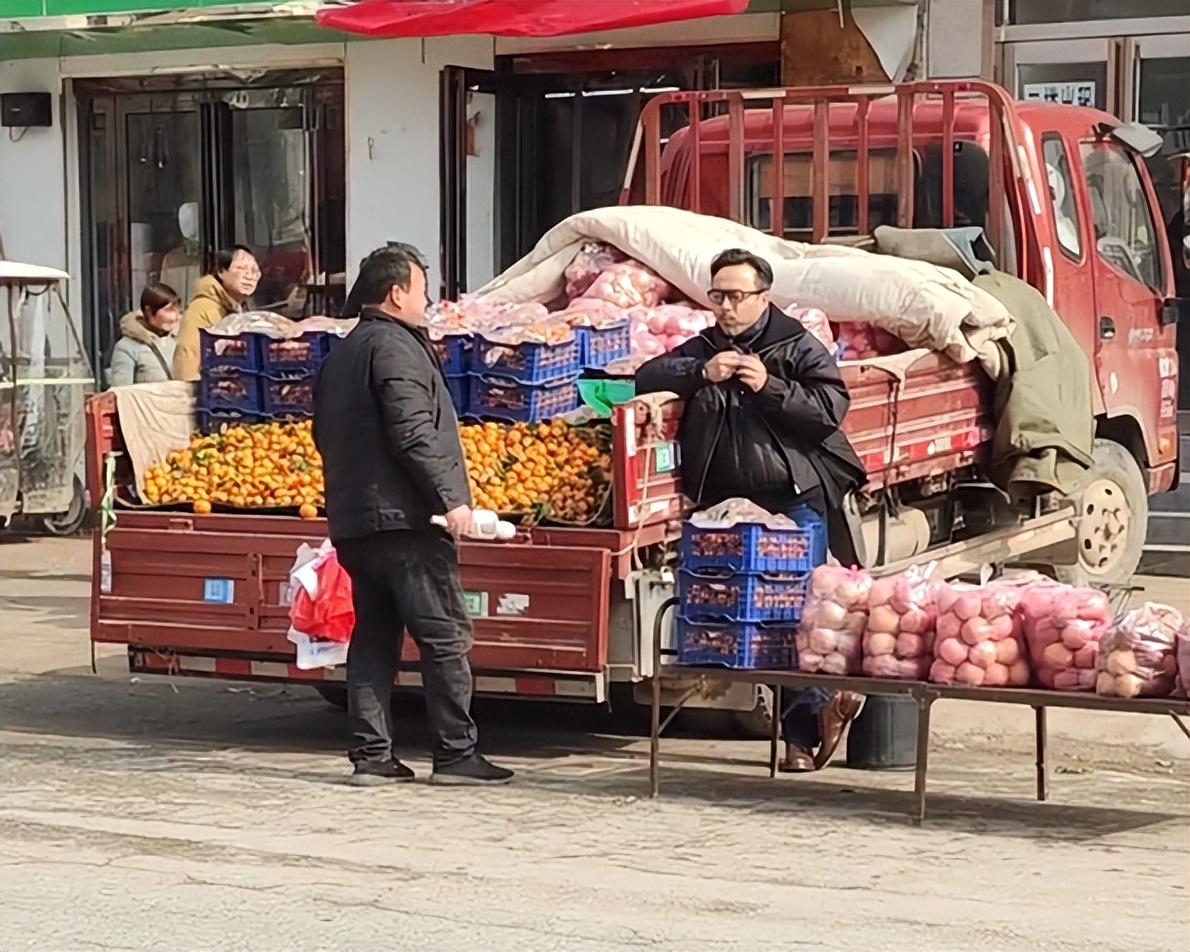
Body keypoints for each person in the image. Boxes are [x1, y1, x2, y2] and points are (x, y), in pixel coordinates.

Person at [636, 248, 867, 773]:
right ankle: (813, 711)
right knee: (739, 616)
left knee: (795, 614)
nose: (726, 306)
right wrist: (700, 371)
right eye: (718, 296)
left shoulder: (796, 345)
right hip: (725, 506)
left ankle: (801, 734)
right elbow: (646, 377)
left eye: (737, 296)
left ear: (763, 297)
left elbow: (828, 410)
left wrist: (770, 386)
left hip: (791, 497)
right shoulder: (707, 346)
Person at [312, 247, 513, 788]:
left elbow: (323, 435)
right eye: (422, 290)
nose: (428, 300)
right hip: (406, 521)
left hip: (356, 521)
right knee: (443, 635)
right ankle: (455, 753)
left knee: (374, 638)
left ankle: (371, 755)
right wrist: (452, 502)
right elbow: (413, 432)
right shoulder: (395, 348)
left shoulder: (342, 353)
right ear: (397, 293)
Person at [171, 245, 260, 382]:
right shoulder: (203, 307)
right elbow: (187, 356)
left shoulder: (242, 308)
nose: (249, 276)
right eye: (241, 269)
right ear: (221, 271)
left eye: (254, 271)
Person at [108, 283, 181, 387]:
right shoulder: (127, 348)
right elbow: (122, 392)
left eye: (177, 310)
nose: (174, 317)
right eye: (168, 310)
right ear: (149, 311)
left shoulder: (181, 339)